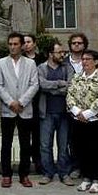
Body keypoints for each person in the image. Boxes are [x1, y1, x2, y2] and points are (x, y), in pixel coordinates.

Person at [0, 32, 38, 188]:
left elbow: (35, 85)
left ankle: (24, 174)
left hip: (25, 109)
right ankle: (6, 175)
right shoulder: (0, 63)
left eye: (15, 44)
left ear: (21, 45)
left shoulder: (30, 64)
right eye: (10, 44)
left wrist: (21, 102)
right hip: (8, 109)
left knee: (25, 144)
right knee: (6, 143)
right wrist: (10, 102)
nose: (13, 47)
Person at [67, 50, 98, 193]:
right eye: (83, 59)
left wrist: (87, 113)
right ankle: (86, 178)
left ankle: (96, 179)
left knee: (96, 150)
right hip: (78, 119)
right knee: (81, 149)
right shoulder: (77, 77)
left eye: (88, 59)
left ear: (96, 61)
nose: (84, 61)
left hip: (95, 120)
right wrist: (77, 111)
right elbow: (70, 95)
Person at [37, 41, 74, 186]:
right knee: (45, 145)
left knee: (63, 145)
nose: (62, 54)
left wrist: (52, 89)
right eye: (59, 52)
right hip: (46, 112)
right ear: (50, 54)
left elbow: (70, 86)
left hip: (64, 113)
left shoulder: (67, 68)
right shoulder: (41, 68)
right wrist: (59, 83)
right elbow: (41, 85)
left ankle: (64, 173)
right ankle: (48, 173)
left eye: (63, 52)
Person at [64, 32, 88, 179]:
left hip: (88, 108)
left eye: (79, 43)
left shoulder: (89, 60)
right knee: (72, 140)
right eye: (74, 43)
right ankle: (75, 166)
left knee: (88, 140)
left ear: (84, 45)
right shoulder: (64, 62)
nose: (77, 45)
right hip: (70, 107)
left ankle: (88, 168)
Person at [23, 33, 45, 174]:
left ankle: (37, 159)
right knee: (25, 133)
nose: (26, 44)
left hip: (38, 99)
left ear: (34, 43)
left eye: (29, 41)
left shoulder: (41, 59)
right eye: (24, 42)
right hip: (23, 100)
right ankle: (25, 159)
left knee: (37, 133)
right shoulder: (20, 59)